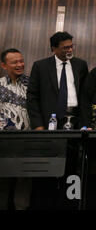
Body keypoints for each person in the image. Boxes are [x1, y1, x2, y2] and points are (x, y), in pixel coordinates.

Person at [27, 32, 88, 130]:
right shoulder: (40, 67)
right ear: (53, 48)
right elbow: (32, 97)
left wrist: (85, 123)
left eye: (71, 46)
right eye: (65, 48)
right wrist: (38, 124)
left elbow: (85, 95)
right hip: (50, 120)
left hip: (76, 120)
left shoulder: (80, 65)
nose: (70, 50)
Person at [0, 48, 32, 210]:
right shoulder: (0, 85)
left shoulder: (32, 84)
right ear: (4, 65)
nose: (20, 64)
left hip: (26, 142)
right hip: (3, 143)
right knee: (2, 184)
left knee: (24, 184)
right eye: (15, 62)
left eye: (21, 61)